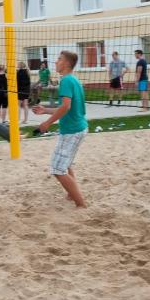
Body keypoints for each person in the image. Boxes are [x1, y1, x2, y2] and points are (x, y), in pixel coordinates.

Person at [31, 50, 88, 208]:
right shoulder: (72, 80)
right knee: (66, 164)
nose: (55, 62)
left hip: (73, 131)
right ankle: (72, 194)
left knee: (57, 168)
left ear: (67, 64)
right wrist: (46, 110)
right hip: (77, 128)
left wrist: (47, 123)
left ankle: (81, 203)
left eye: (59, 59)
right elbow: (68, 107)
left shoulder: (66, 81)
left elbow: (66, 106)